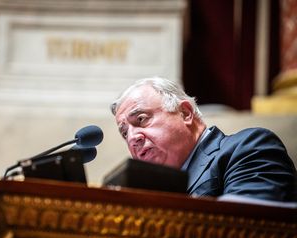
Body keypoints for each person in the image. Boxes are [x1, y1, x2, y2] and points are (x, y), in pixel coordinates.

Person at [110, 76, 296, 202]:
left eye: (141, 119)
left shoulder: (249, 149)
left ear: (185, 113)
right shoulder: (148, 193)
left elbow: (245, 228)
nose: (132, 138)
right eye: (124, 133)